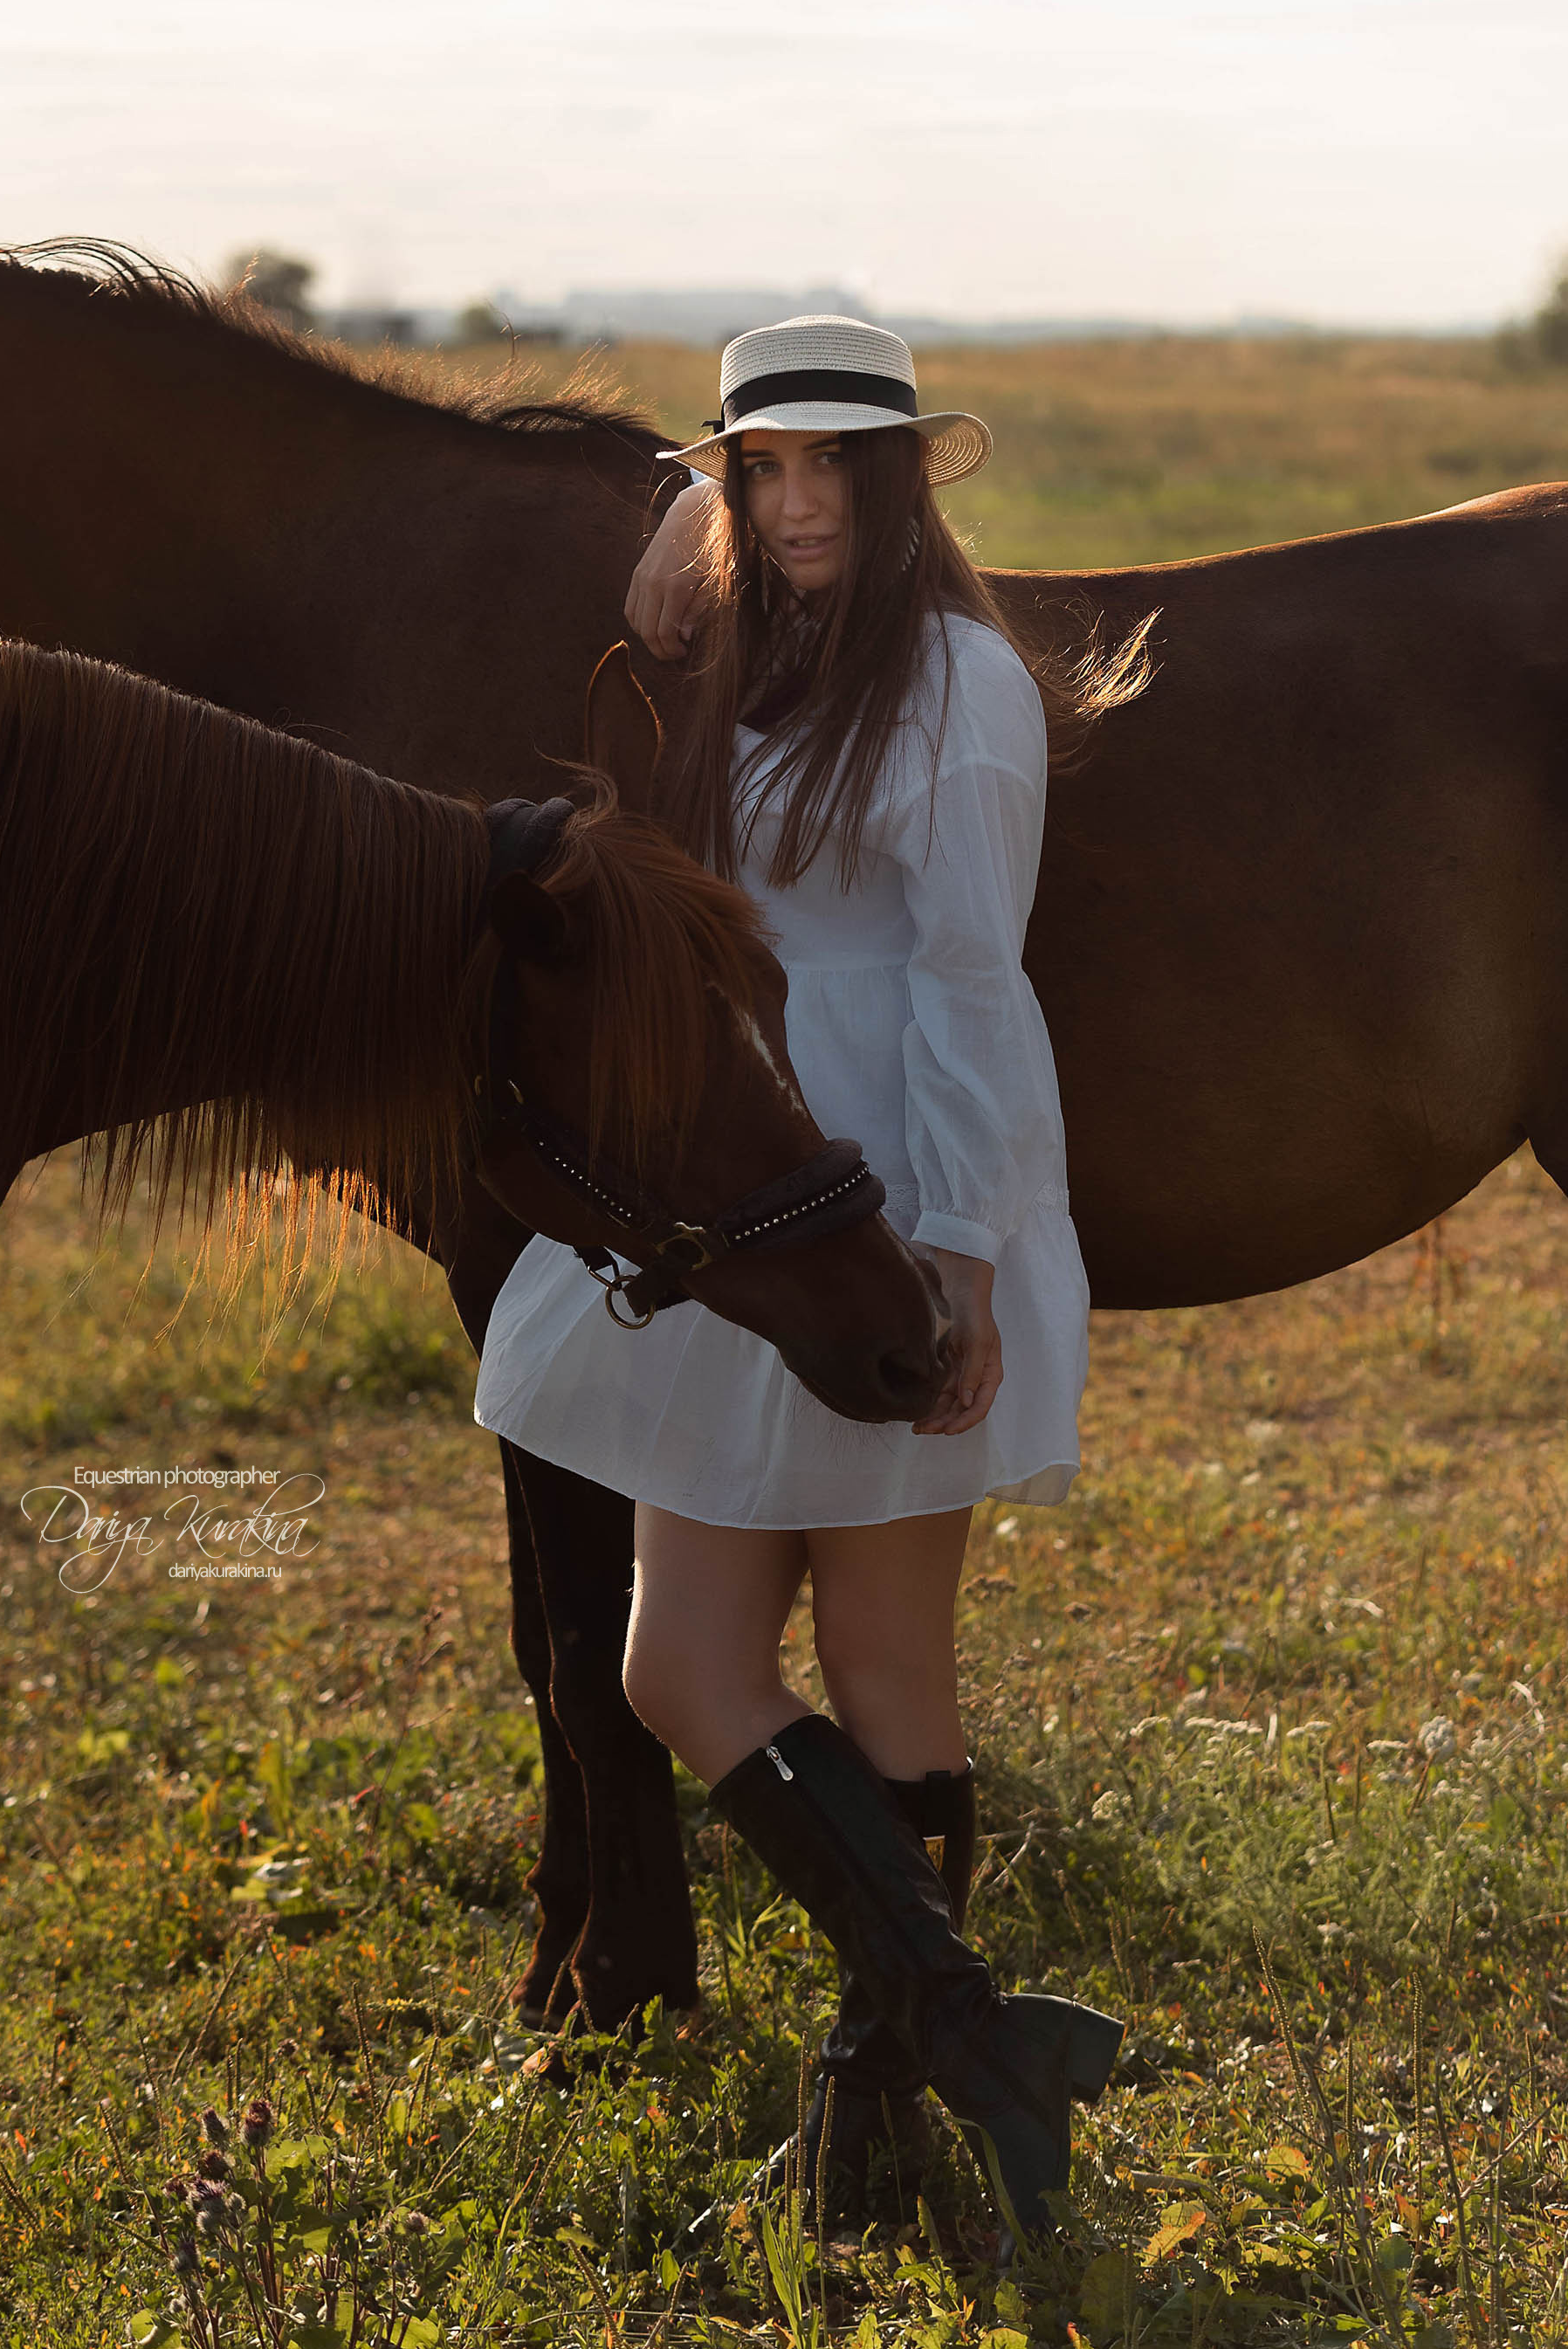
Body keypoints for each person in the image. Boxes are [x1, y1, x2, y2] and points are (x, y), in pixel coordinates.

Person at [473, 315, 1122, 2248]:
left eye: (840, 462)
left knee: (890, 1662)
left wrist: (968, 1254)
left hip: (883, 1198)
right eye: (769, 465)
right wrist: (684, 494)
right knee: (680, 1665)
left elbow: (967, 978)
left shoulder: (958, 686)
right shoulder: (737, 647)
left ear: (907, 475)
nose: (804, 496)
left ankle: (883, 2115)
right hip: (731, 1171)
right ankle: (959, 2035)